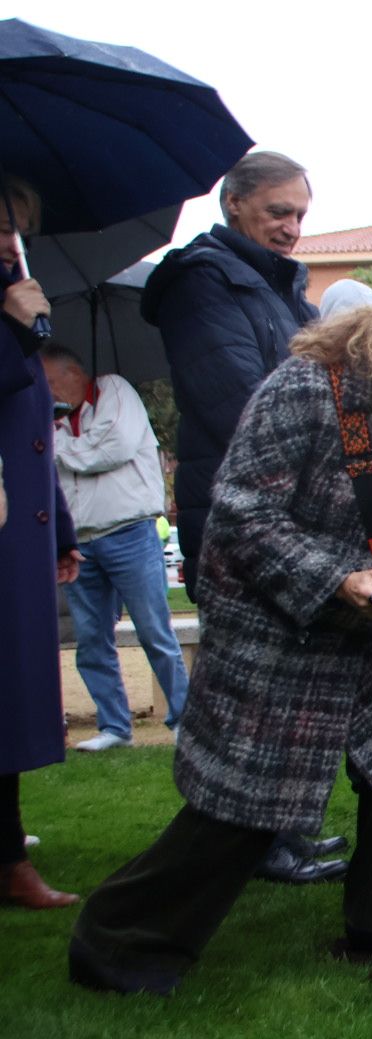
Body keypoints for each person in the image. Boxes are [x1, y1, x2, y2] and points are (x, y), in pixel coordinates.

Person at [68, 256, 372, 995]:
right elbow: (241, 512)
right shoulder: (311, 387)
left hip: (370, 626)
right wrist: (336, 578)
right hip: (277, 618)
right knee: (249, 798)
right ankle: (117, 942)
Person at [141, 151, 339, 882]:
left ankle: (280, 831)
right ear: (234, 205)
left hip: (289, 508)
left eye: (300, 215)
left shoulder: (279, 287)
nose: (291, 228)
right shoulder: (203, 284)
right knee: (249, 688)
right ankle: (248, 840)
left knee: (288, 681)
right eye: (278, 212)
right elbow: (239, 405)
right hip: (238, 513)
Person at [42, 343, 190, 750]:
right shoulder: (49, 416)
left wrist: (58, 449)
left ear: (74, 374)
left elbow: (112, 450)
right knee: (91, 639)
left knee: (154, 631)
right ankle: (114, 726)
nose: (46, 391)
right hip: (78, 542)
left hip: (129, 532)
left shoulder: (115, 390)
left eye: (50, 382)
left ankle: (185, 721)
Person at [0, 175, 80, 910]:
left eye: (15, 228)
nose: (9, 243)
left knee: (12, 694)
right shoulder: (14, 322)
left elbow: (32, 439)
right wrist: (16, 334)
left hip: (15, 534)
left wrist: (58, 526)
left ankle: (6, 854)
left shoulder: (14, 309)